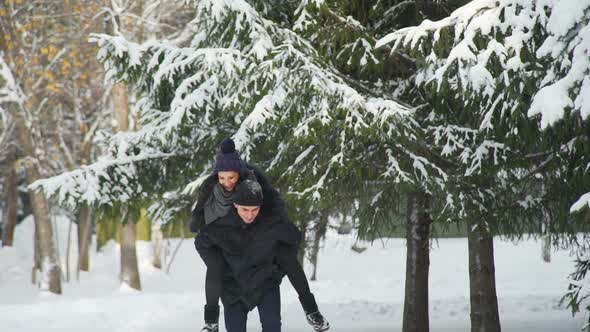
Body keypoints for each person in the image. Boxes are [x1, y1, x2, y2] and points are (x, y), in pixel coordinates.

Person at [190, 139, 329, 332]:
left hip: (264, 280)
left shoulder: (268, 214)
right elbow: (201, 240)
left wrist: (276, 262)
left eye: (253, 210)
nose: (249, 214)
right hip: (234, 286)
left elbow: (294, 237)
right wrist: (219, 261)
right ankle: (211, 322)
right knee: (217, 269)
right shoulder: (219, 220)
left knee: (285, 260)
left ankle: (312, 311)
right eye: (223, 179)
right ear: (236, 206)